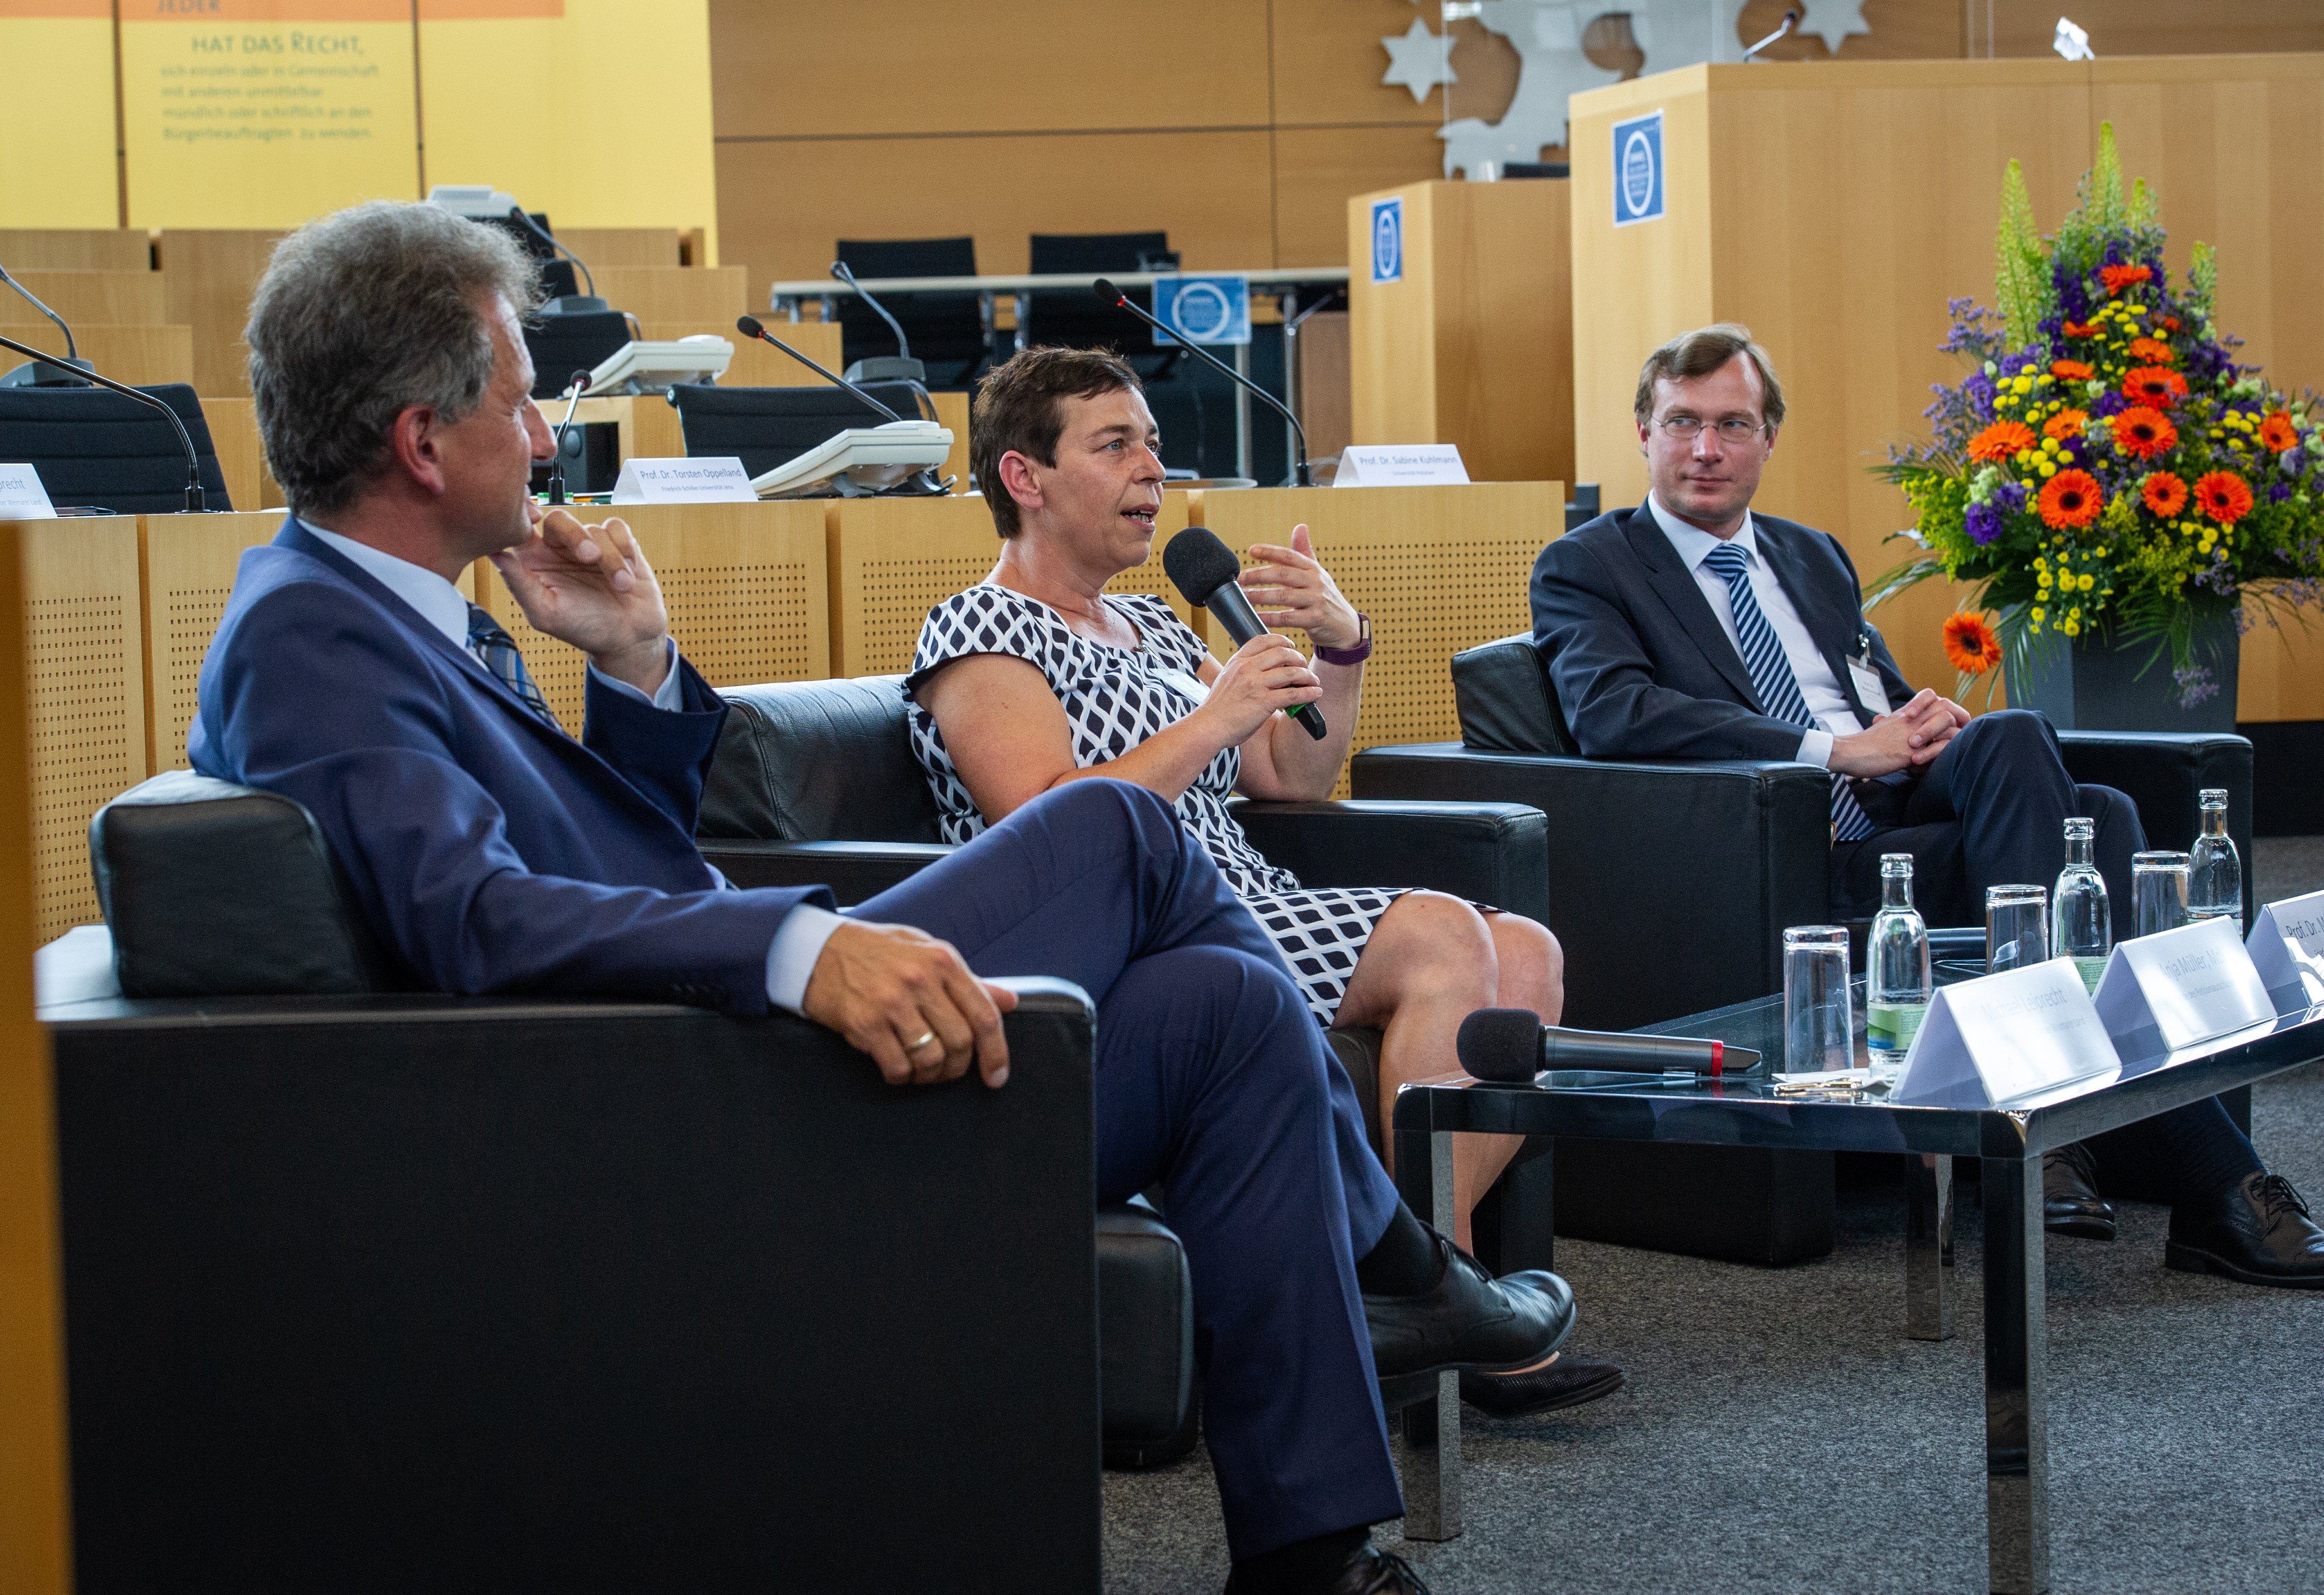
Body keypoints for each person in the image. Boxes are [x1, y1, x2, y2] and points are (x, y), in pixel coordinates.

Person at [192, 199, 1582, 1594]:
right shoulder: (313, 638)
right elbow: (478, 921)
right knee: (1114, 829)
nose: (552, 437)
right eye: (521, 401)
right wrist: (802, 948)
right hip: (672, 1105)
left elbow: (621, 868)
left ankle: (1314, 1556)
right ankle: (1400, 1260)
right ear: (423, 445)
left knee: (1223, 1006)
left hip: (678, 1055)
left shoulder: (389, 612)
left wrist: (633, 663)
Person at [907, 345, 1624, 1417]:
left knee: (1525, 952)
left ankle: (1423, 1308)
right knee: (1442, 935)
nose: (1153, 468)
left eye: (1151, 441)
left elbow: (1292, 772)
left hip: (1249, 900)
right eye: (1116, 445)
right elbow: (1049, 825)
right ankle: (1448, 1319)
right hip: (1136, 940)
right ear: (1025, 477)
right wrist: (1213, 716)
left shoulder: (1152, 622)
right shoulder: (978, 631)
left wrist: (1341, 647)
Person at [1530, 322, 2324, 1289]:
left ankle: (2057, 1109)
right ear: (1643, 435)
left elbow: (1857, 684)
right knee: (2099, 823)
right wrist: (1835, 749)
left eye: (1732, 425)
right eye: (1682, 424)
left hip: (1894, 800)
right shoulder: (1589, 566)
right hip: (1785, 841)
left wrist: (1910, 718)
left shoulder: (1810, 554)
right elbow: (1616, 715)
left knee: (2032, 752)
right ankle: (2203, 1178)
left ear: (1769, 439)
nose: (1706, 450)